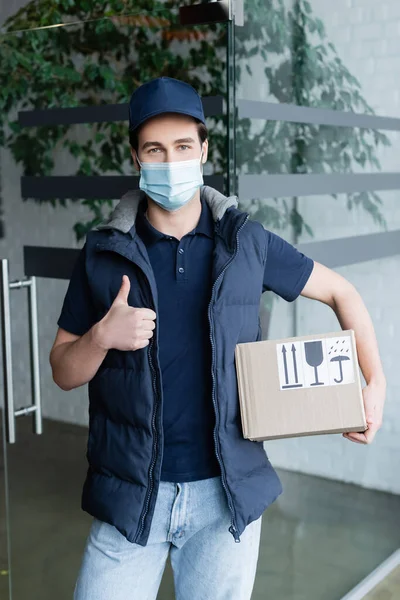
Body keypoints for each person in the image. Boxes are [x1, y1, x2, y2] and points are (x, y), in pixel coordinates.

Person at [49, 76, 386, 600]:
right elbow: (63, 371)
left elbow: (343, 293)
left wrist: (376, 382)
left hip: (224, 501)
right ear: (136, 158)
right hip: (131, 497)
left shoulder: (245, 242)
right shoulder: (103, 252)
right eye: (155, 149)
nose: (170, 161)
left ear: (204, 149)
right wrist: (101, 337)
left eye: (183, 147)